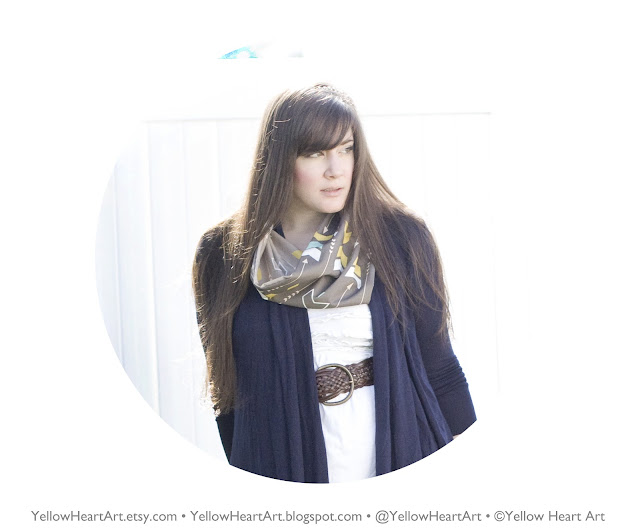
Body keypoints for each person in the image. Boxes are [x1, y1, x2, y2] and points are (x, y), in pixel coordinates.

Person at [192, 83, 476, 483]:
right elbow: (227, 389)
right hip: (282, 462)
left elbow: (440, 365)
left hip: (402, 451)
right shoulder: (224, 252)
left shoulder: (400, 238)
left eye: (346, 149)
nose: (336, 169)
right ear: (278, 159)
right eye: (314, 153)